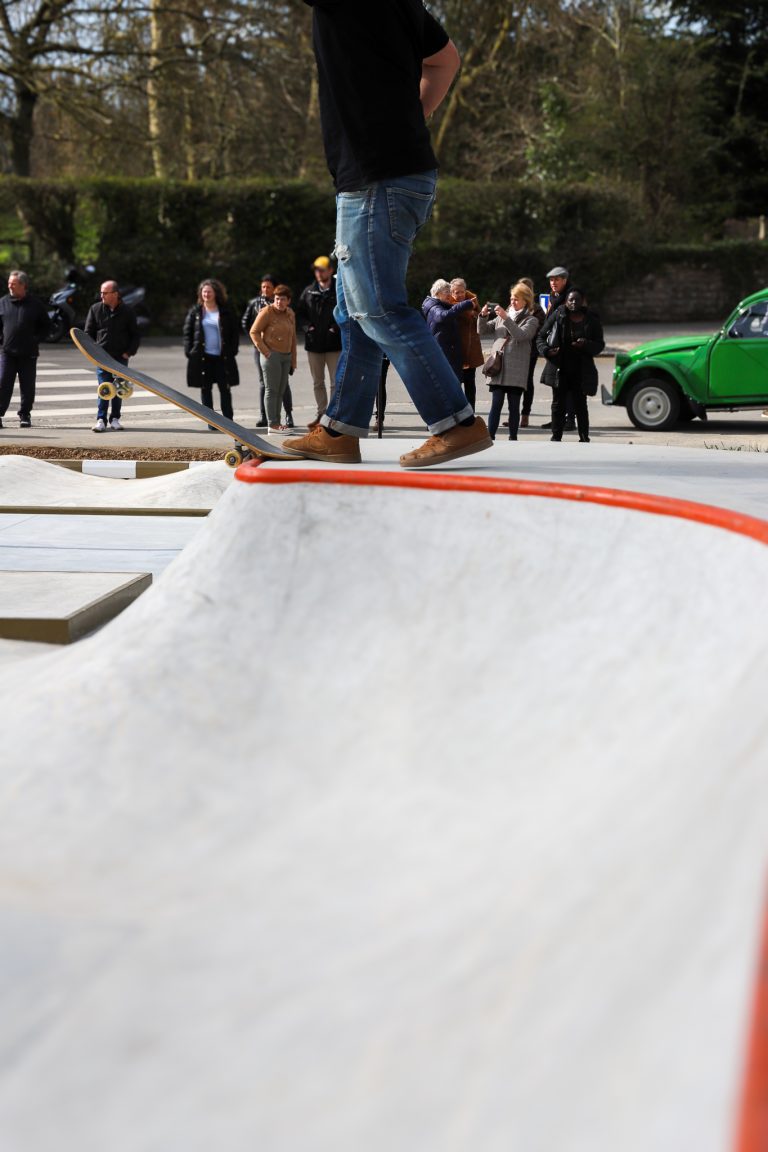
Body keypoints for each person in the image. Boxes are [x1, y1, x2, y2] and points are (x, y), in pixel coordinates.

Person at [283, 0, 491, 469]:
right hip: (392, 172)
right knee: (353, 312)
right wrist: (411, 123)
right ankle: (341, 429)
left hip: (376, 177)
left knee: (377, 307)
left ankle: (455, 423)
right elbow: (445, 60)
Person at [536, 287, 604, 442]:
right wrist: (547, 351)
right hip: (560, 367)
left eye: (577, 300)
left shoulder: (592, 319)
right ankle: (556, 437)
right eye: (570, 300)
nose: (573, 303)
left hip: (581, 369)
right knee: (558, 404)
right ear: (566, 301)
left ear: (583, 301)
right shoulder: (559, 315)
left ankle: (584, 437)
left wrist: (586, 344)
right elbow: (540, 337)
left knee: (581, 405)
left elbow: (599, 345)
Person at [478, 281, 540, 440]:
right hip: (497, 367)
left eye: (517, 299)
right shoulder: (503, 315)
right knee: (496, 404)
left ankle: (513, 438)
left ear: (526, 301)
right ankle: (490, 437)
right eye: (512, 298)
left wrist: (506, 318)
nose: (512, 302)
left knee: (514, 406)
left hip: (516, 370)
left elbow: (521, 335)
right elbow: (482, 330)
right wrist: (483, 316)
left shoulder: (531, 320)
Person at [85, 280, 141, 432]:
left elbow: (135, 335)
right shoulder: (95, 309)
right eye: (101, 292)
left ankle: (115, 418)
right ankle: (101, 419)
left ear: (115, 294)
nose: (101, 295)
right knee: (104, 387)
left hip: (120, 357)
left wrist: (128, 352)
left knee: (118, 388)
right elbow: (88, 333)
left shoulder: (128, 311)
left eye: (105, 293)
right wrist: (93, 352)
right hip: (102, 358)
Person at [183, 278, 240, 427]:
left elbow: (234, 332)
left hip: (222, 357)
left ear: (216, 293)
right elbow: (187, 332)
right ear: (200, 294)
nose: (206, 294)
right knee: (205, 389)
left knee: (224, 389)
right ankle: (211, 422)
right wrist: (189, 351)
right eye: (204, 292)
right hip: (204, 358)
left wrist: (232, 350)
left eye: (209, 291)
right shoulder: (196, 312)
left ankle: (228, 421)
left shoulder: (225, 311)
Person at [241, 274, 294, 428]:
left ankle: (288, 415)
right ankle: (265, 416)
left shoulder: (282, 304)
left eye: (268, 287)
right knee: (265, 384)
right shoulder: (255, 304)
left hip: (281, 351)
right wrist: (259, 343)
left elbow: (291, 332)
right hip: (262, 349)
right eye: (263, 287)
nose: (265, 289)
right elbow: (247, 324)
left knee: (283, 385)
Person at [295, 255, 342, 430]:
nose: (318, 273)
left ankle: (334, 414)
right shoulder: (308, 291)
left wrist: (335, 329)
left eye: (322, 269)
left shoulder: (338, 290)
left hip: (333, 345)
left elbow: (345, 311)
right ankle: (322, 413)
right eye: (316, 269)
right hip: (314, 345)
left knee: (335, 382)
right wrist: (308, 328)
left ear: (330, 270)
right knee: (318, 382)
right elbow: (299, 314)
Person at [0, 270, 50, 429]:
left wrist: (35, 339)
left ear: (23, 286)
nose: (10, 286)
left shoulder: (35, 304)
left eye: (13, 283)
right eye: (9, 283)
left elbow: (47, 326)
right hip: (7, 353)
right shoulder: (2, 302)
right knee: (2, 384)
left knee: (27, 386)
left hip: (28, 354)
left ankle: (25, 415)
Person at [540, 265, 575, 431]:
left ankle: (569, 420)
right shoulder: (555, 297)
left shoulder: (571, 298)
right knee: (556, 385)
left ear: (565, 280)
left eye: (556, 279)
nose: (553, 283)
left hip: (567, 349)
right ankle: (557, 419)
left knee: (567, 387)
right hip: (554, 347)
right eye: (551, 280)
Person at [421, 279, 474, 378]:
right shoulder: (434, 307)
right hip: (445, 354)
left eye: (449, 292)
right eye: (446, 292)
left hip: (449, 354)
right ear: (437, 293)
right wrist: (465, 304)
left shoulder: (441, 305)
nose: (449, 295)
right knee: (450, 386)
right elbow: (443, 316)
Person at [450, 277, 483, 411]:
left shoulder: (473, 302)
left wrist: (477, 312)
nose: (459, 295)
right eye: (456, 292)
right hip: (455, 352)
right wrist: (470, 310)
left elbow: (479, 318)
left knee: (470, 384)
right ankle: (456, 414)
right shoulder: (448, 305)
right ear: (451, 293)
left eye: (461, 292)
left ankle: (471, 413)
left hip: (470, 351)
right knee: (455, 385)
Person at [518, 276, 546, 428]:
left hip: (530, 351)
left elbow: (539, 331)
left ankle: (525, 415)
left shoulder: (537, 309)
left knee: (527, 381)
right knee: (513, 383)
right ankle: (514, 415)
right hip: (515, 351)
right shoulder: (514, 306)